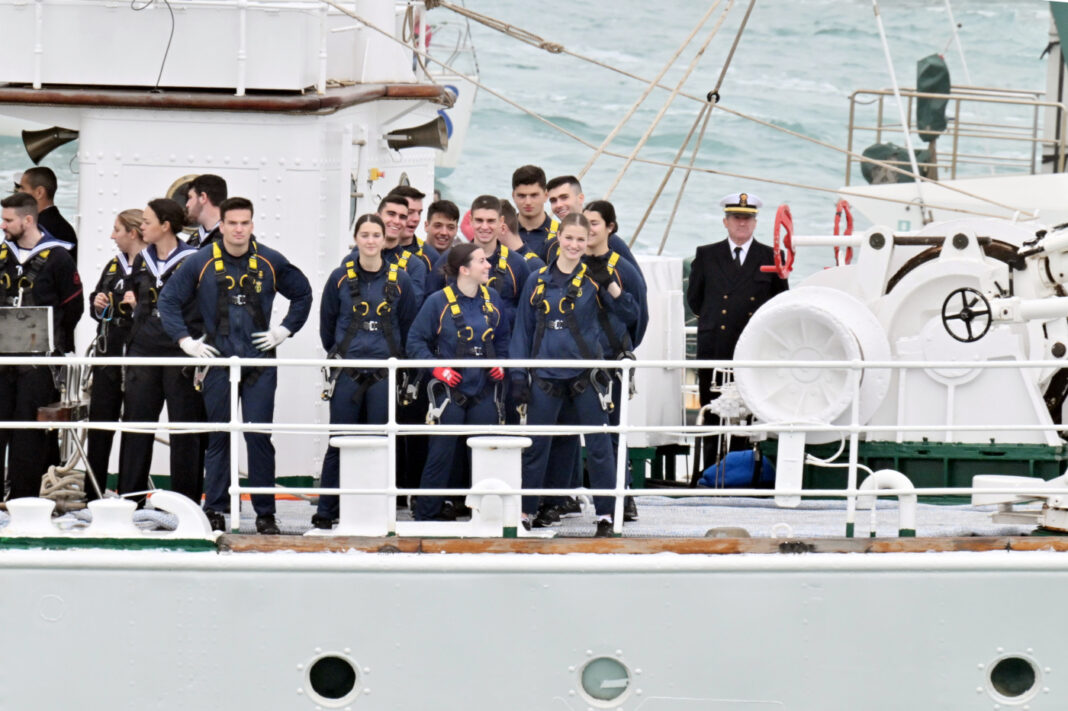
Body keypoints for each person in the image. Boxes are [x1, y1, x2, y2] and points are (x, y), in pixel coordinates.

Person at [158, 197, 312, 534]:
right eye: (233, 223)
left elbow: (302, 294)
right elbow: (168, 299)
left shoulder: (270, 261)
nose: (239, 229)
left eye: (245, 223)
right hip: (218, 363)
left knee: (258, 437)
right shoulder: (200, 261)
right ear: (222, 226)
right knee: (219, 439)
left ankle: (265, 514)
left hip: (259, 364)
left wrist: (284, 330)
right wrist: (186, 341)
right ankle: (215, 508)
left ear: (252, 225)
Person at [509, 213, 638, 537]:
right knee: (536, 447)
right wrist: (517, 377)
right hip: (544, 378)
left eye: (581, 240)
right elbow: (522, 332)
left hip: (585, 378)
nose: (574, 245)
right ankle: (527, 511)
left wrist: (608, 282)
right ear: (559, 239)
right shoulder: (536, 280)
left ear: (587, 242)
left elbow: (630, 314)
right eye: (569, 238)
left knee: (598, 448)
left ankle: (607, 515)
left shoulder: (597, 278)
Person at [313, 214, 418, 528]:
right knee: (339, 441)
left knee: (381, 444)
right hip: (347, 373)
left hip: (384, 375)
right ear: (356, 238)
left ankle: (375, 508)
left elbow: (408, 325)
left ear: (385, 239)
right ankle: (327, 509)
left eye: (376, 235)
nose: (371, 241)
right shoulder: (339, 279)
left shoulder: (401, 281)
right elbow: (327, 326)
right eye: (365, 234)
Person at [407, 243, 510, 521]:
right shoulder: (437, 302)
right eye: (481, 261)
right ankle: (426, 515)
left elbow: (502, 338)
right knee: (441, 453)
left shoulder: (493, 300)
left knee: (487, 454)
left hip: (484, 390)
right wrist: (437, 369)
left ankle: (487, 515)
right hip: (450, 392)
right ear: (464, 269)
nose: (488, 265)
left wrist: (501, 362)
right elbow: (415, 341)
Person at [686, 192, 789, 467]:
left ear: (755, 223)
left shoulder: (771, 256)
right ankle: (707, 472)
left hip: (753, 348)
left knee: (749, 412)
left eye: (747, 218)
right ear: (725, 221)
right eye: (736, 218)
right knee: (711, 410)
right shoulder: (707, 255)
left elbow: (779, 304)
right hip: (715, 345)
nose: (741, 223)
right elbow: (694, 300)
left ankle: (739, 470)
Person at [117, 199, 203, 504]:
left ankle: (186, 501)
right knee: (137, 424)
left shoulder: (194, 260)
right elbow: (132, 292)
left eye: (147, 222)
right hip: (144, 349)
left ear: (165, 225)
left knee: (185, 429)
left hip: (180, 351)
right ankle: (130, 497)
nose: (142, 227)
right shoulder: (141, 259)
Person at [0, 192, 83, 500]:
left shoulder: (59, 258)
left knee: (27, 432)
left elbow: (73, 307)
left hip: (37, 362)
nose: (3, 225)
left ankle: (23, 499)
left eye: (9, 220)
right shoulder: (2, 255)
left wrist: (54, 342)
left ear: (28, 219)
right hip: (2, 359)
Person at [85, 208, 144, 500]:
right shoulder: (113, 266)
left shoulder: (152, 267)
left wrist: (139, 307)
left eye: (117, 230)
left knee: (135, 426)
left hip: (138, 351)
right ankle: (92, 491)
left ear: (132, 233)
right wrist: (98, 304)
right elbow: (97, 304)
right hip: (109, 349)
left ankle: (132, 495)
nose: (112, 236)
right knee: (100, 422)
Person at [428, 196, 532, 324]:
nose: (484, 226)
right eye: (479, 220)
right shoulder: (449, 258)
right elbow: (429, 307)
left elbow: (527, 314)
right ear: (470, 221)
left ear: (501, 222)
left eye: (491, 221)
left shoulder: (517, 264)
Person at [543, 175, 641, 272]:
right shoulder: (552, 245)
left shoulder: (609, 240)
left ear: (580, 198)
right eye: (553, 201)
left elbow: (638, 285)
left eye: (564, 197)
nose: (559, 205)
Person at [16, 166, 78, 262]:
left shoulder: (39, 229)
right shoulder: (62, 227)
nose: (19, 192)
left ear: (39, 193)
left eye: (23, 188)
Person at [379, 195, 428, 305]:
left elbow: (411, 309)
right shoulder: (356, 256)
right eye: (391, 214)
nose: (396, 221)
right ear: (377, 216)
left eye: (402, 217)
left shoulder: (415, 266)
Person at [511, 165, 558, 258]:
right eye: (522, 196)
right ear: (513, 196)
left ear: (545, 196)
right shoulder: (502, 232)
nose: (528, 202)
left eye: (534, 195)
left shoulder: (561, 235)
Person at [388, 185, 435, 274]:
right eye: (410, 212)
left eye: (419, 213)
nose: (416, 218)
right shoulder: (370, 249)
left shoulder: (429, 257)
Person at [185, 174, 227, 248]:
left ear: (203, 197)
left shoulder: (231, 238)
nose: (187, 205)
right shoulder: (194, 239)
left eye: (190, 197)